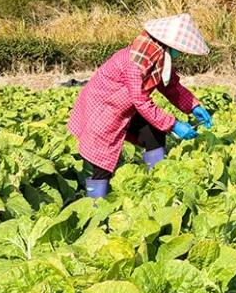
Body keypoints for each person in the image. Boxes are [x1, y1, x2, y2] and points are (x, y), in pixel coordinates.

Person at [68, 13, 214, 198]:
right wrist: (174, 124)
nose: (181, 54)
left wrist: (194, 106)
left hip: (124, 108)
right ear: (167, 45)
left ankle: (155, 182)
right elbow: (141, 101)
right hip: (102, 109)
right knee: (102, 161)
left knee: (154, 133)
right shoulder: (134, 63)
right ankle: (95, 206)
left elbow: (171, 87)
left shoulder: (157, 58)